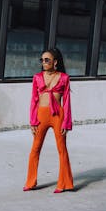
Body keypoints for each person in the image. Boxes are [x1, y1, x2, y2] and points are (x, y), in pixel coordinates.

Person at [25, 47, 74, 193]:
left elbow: (67, 102)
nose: (44, 62)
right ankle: (30, 182)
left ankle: (64, 184)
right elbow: (34, 100)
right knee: (35, 148)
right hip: (41, 115)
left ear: (55, 62)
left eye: (47, 60)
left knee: (62, 149)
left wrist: (66, 122)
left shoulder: (64, 78)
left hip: (58, 115)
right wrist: (33, 121)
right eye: (42, 60)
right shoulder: (37, 77)